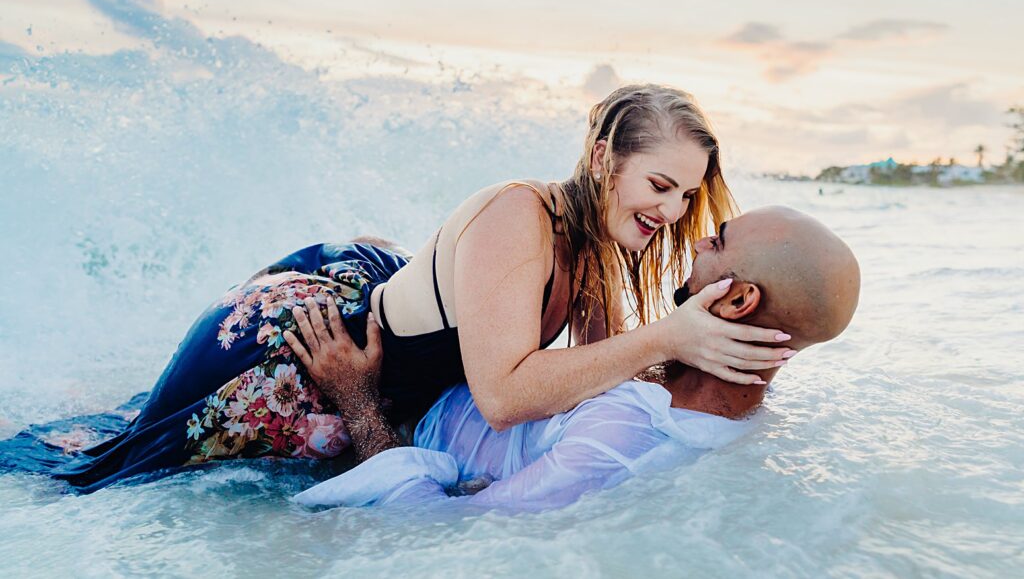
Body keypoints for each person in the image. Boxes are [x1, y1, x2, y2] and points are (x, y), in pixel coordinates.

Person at [0, 85, 792, 492]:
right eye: (660, 183)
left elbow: (596, 381)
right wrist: (665, 338)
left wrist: (722, 362)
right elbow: (508, 396)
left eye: (688, 197)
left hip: (374, 310)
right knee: (98, 468)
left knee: (115, 429)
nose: (673, 211)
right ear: (601, 160)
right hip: (298, 347)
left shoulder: (593, 248)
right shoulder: (524, 215)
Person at [291, 206, 860, 511]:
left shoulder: (621, 444)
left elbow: (430, 530)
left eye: (719, 241)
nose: (698, 243)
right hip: (446, 368)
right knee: (369, 245)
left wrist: (357, 399)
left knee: (292, 292)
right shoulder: (719, 390)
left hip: (393, 416)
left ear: (739, 300)